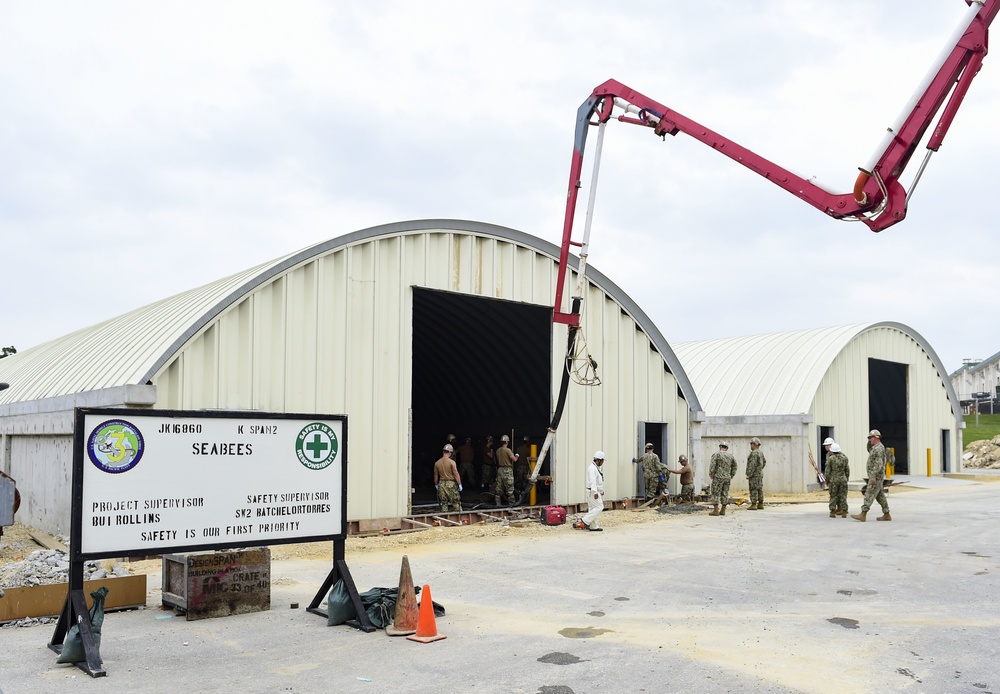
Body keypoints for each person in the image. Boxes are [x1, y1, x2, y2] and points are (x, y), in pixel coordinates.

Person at [852, 429, 891, 522]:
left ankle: (863, 513)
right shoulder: (875, 448)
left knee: (869, 493)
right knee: (879, 495)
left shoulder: (879, 449)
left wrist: (873, 476)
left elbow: (879, 464)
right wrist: (869, 440)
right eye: (869, 438)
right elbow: (869, 449)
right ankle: (887, 514)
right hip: (875, 475)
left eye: (871, 437)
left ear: (876, 437)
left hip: (876, 476)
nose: (870, 440)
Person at [708, 441, 737, 516]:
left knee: (715, 492)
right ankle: (723, 510)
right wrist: (731, 475)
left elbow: (712, 465)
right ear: (727, 448)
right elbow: (735, 466)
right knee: (725, 492)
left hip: (718, 477)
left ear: (720, 447)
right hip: (727, 477)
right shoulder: (731, 456)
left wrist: (711, 474)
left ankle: (715, 510)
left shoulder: (716, 454)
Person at [433, 444, 463, 512]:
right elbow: (456, 474)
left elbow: (435, 475)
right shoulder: (452, 462)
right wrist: (459, 484)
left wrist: (436, 484)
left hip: (441, 484)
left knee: (443, 503)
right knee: (456, 503)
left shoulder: (437, 463)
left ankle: (444, 519)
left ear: (443, 451)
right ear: (450, 453)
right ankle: (460, 518)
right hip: (451, 484)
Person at [824, 442, 850, 517]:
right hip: (843, 478)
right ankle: (844, 511)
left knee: (833, 495)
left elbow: (828, 471)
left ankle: (832, 511)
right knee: (843, 495)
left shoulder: (830, 459)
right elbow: (847, 469)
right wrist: (846, 478)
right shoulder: (844, 458)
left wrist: (827, 480)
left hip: (834, 479)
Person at [582, 450, 606, 531]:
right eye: (602, 461)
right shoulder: (592, 468)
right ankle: (585, 520)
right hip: (592, 491)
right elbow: (593, 481)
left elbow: (598, 481)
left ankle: (593, 526)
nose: (602, 463)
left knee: (593, 508)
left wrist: (601, 491)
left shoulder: (596, 468)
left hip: (593, 491)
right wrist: (595, 492)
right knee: (599, 506)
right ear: (599, 460)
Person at [494, 434, 518, 505]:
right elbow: (514, 460)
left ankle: (498, 504)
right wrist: (516, 456)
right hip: (507, 470)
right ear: (507, 442)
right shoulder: (508, 450)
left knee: (499, 487)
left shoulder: (498, 450)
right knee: (510, 488)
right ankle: (512, 504)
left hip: (500, 469)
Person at [745, 437, 767, 510]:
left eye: (751, 444)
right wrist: (759, 469)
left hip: (754, 475)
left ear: (754, 444)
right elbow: (764, 462)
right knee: (759, 488)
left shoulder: (754, 453)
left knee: (753, 488)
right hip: (759, 474)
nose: (751, 445)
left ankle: (754, 504)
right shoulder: (760, 452)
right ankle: (760, 503)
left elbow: (752, 465)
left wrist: (749, 474)